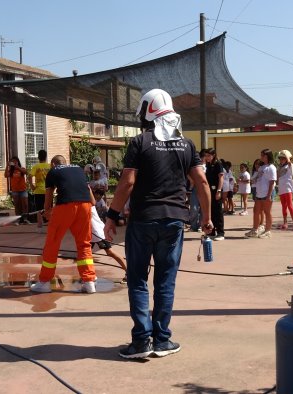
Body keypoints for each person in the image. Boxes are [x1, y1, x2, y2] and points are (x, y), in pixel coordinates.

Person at [104, 88, 212, 359]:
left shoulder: (140, 142)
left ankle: (141, 342)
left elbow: (128, 182)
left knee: (138, 279)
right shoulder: (186, 145)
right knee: (166, 281)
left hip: (143, 221)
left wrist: (111, 216)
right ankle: (162, 341)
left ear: (148, 112)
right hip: (175, 221)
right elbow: (201, 181)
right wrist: (208, 219)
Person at [30, 155, 97, 294]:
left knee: (52, 243)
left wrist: (47, 211)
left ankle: (45, 282)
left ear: (54, 164)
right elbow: (92, 199)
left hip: (65, 206)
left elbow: (48, 195)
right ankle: (89, 282)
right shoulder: (78, 169)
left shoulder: (53, 171)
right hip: (85, 205)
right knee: (84, 243)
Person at [89, 188, 127, 283]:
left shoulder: (90, 205)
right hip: (91, 234)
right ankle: (89, 276)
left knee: (110, 252)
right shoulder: (84, 204)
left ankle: (129, 272)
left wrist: (87, 187)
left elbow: (92, 200)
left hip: (98, 233)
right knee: (86, 254)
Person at [245, 149, 276, 239]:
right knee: (256, 211)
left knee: (267, 212)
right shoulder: (262, 167)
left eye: (262, 155)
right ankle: (255, 230)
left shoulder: (271, 167)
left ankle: (268, 231)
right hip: (259, 193)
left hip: (267, 193)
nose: (261, 157)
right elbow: (257, 178)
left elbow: (272, 182)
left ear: (267, 156)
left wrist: (269, 195)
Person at [204, 148, 225, 241]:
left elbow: (221, 178)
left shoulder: (218, 164)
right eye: (206, 155)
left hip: (216, 190)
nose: (207, 157)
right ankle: (212, 232)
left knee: (218, 212)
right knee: (211, 211)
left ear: (213, 155)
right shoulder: (208, 164)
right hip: (209, 191)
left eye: (208, 155)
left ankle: (220, 233)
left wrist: (219, 190)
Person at [28, 150, 51, 232]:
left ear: (38, 157)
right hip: (49, 191)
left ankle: (40, 225)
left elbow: (29, 176)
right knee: (49, 208)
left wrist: (32, 186)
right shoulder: (50, 166)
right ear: (46, 157)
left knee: (39, 209)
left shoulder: (36, 167)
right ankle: (50, 225)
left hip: (38, 191)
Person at [276, 150, 293, 231]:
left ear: (287, 158)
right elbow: (277, 177)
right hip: (281, 189)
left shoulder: (290, 165)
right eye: (280, 158)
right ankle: (285, 223)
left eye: (283, 158)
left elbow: (289, 162)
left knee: (290, 206)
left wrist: (287, 155)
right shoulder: (279, 167)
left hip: (288, 188)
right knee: (284, 207)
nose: (281, 160)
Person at [4, 156, 29, 225]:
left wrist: (17, 167)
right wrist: (7, 166)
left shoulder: (21, 169)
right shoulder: (11, 171)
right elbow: (5, 175)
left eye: (15, 161)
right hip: (15, 191)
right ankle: (18, 220)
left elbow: (26, 172)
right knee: (17, 206)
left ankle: (25, 219)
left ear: (18, 162)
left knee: (25, 205)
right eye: (13, 161)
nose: (14, 163)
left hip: (23, 190)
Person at [187, 150, 207, 232]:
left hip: (204, 188)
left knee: (203, 208)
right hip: (195, 188)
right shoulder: (194, 165)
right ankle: (193, 225)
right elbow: (187, 172)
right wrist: (192, 181)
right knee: (194, 208)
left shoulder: (207, 165)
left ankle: (200, 225)